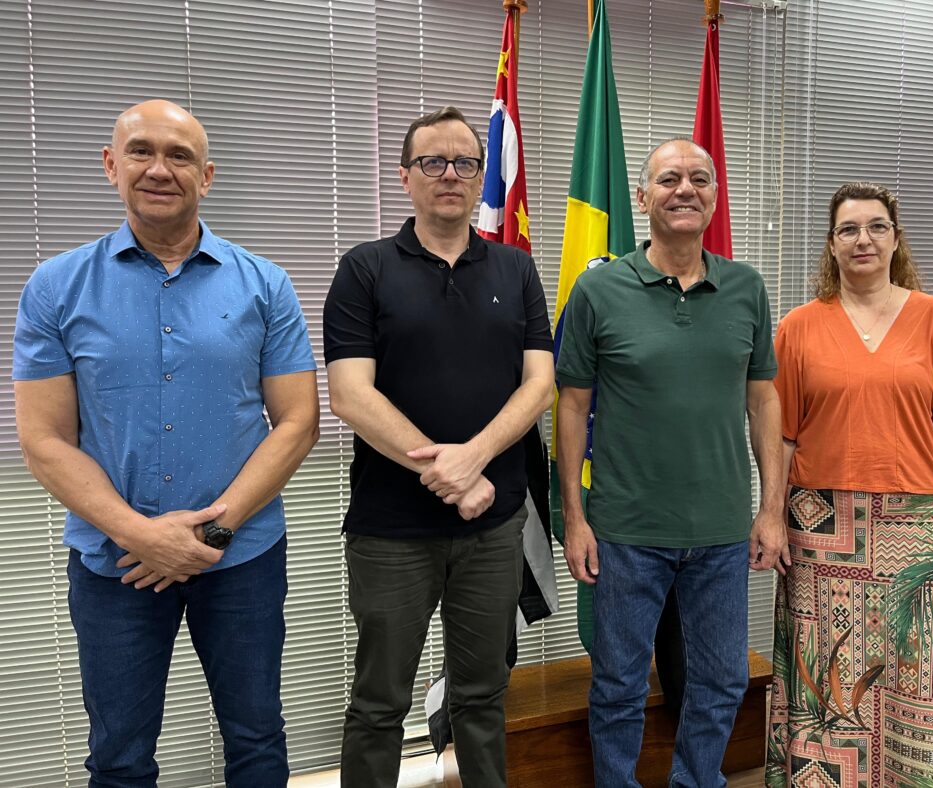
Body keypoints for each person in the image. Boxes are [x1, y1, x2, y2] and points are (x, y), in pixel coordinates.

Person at [12, 100, 319, 787]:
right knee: (118, 758)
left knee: (258, 741)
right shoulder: (56, 288)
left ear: (206, 176)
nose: (160, 168)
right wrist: (141, 536)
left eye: (179, 155)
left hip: (242, 559)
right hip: (114, 567)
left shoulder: (264, 284)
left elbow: (298, 421)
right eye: (142, 151)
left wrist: (211, 532)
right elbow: (45, 441)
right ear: (110, 165)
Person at [323, 105, 554, 788]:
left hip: (493, 525)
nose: (449, 174)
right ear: (405, 176)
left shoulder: (516, 270)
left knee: (481, 698)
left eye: (464, 162)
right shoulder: (364, 269)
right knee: (378, 705)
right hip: (390, 532)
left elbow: (539, 384)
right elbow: (349, 395)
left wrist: (473, 457)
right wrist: (448, 469)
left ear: (483, 176)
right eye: (433, 161)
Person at [556, 137, 787, 788]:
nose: (685, 189)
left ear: (715, 196)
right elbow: (571, 407)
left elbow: (763, 400)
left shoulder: (746, 287)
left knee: (721, 679)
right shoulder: (600, 290)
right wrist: (575, 517)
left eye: (699, 178)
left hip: (720, 532)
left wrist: (771, 509)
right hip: (626, 531)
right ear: (642, 197)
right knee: (620, 684)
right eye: (668, 179)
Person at [765, 181, 933, 786]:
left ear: (895, 238)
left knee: (918, 676)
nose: (862, 239)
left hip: (915, 530)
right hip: (819, 530)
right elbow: (780, 440)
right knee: (827, 684)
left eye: (875, 227)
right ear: (831, 245)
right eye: (848, 229)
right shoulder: (798, 328)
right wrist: (769, 517)